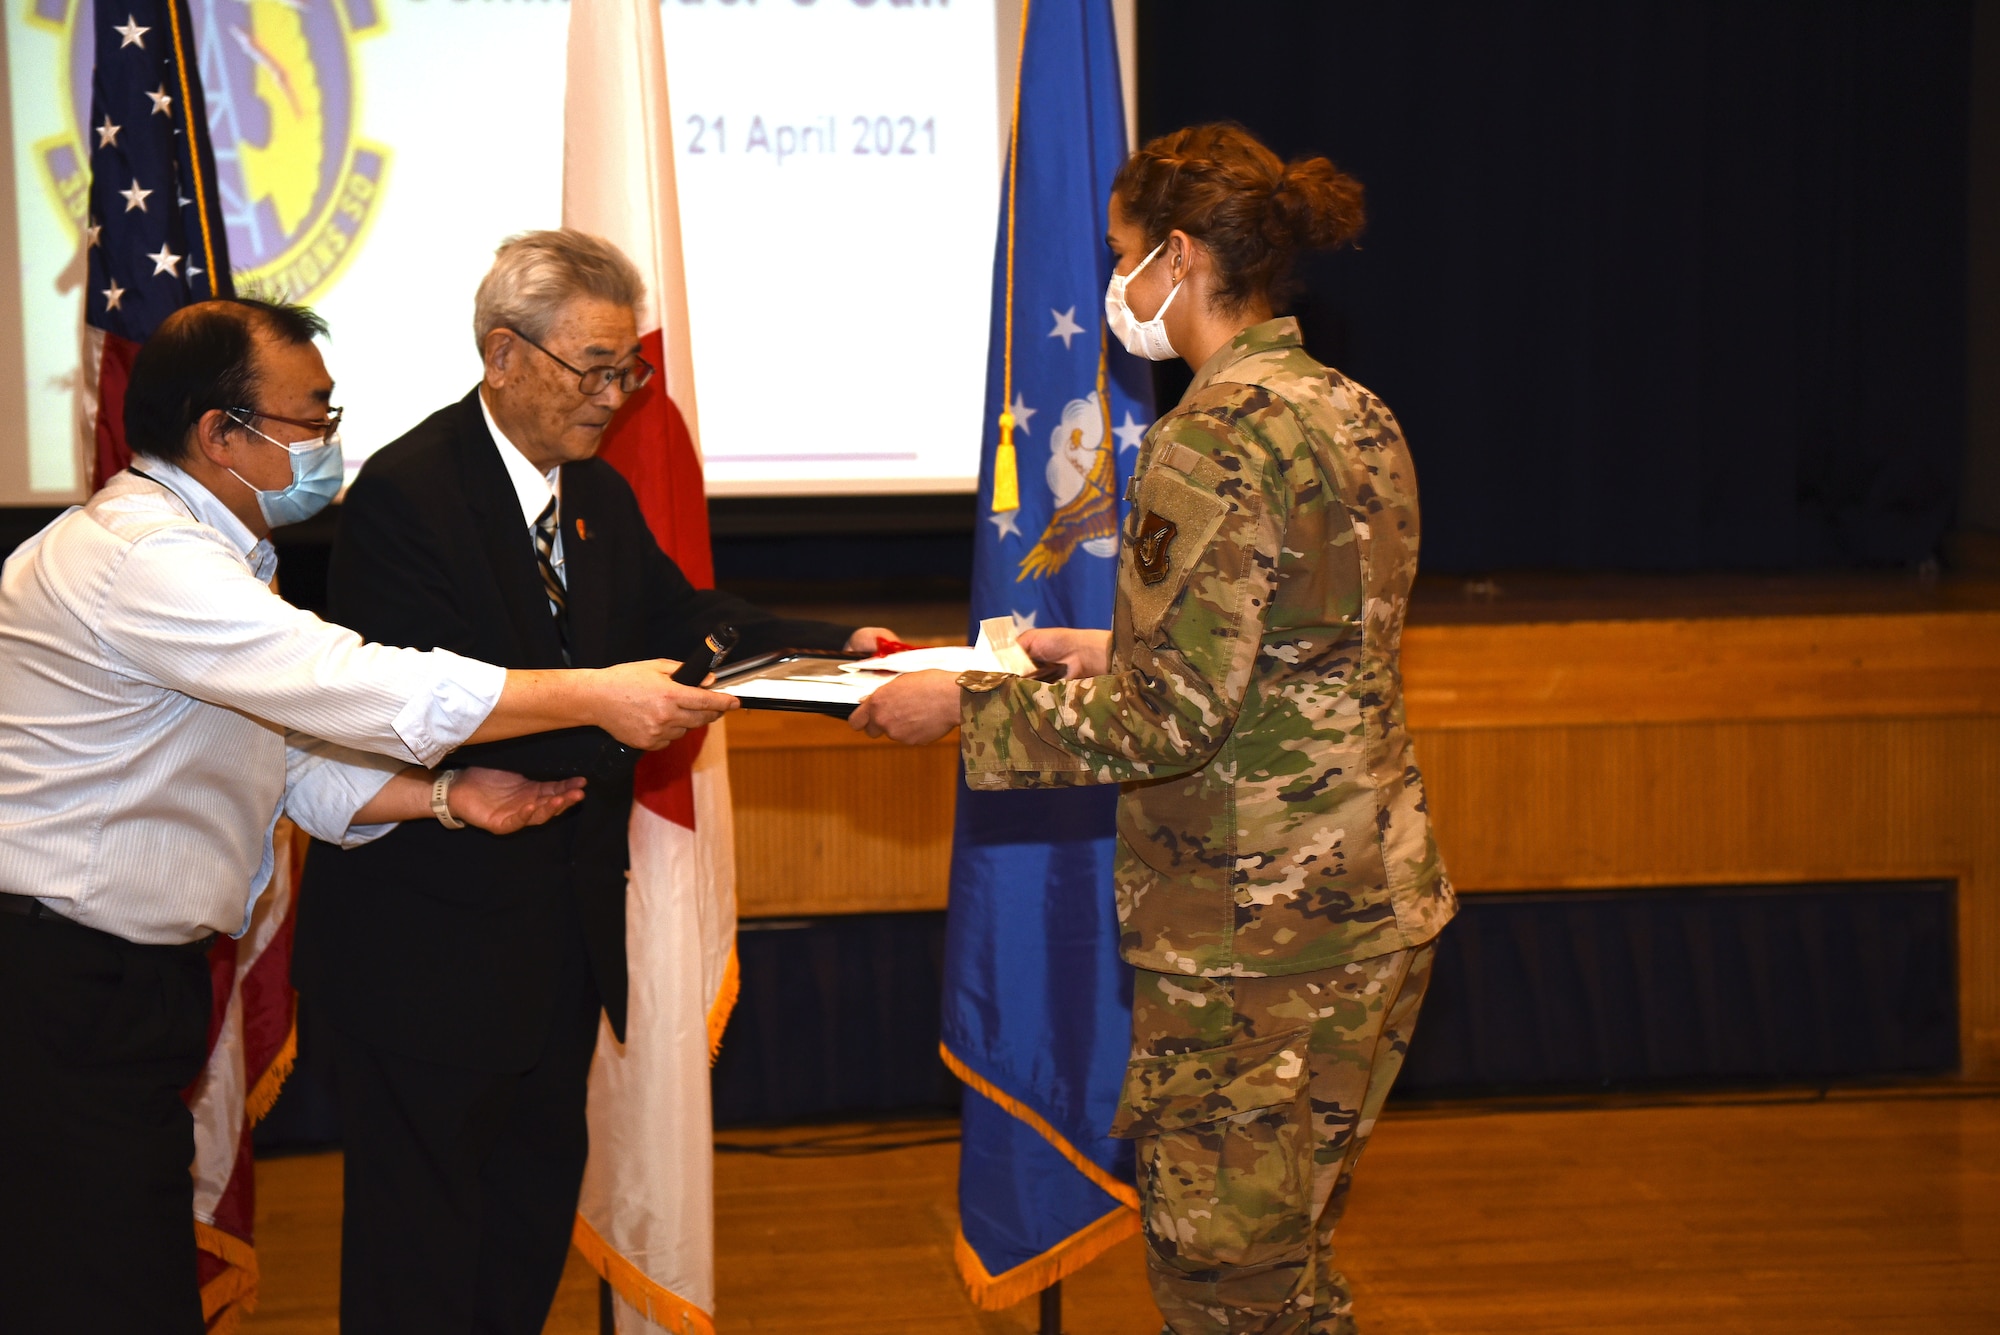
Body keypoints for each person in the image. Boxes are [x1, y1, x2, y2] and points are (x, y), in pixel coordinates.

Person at [0, 296, 734, 1335]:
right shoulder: (143, 561)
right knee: (96, 1287)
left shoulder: (214, 556)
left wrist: (446, 796)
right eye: (311, 421)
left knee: (105, 1273)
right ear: (221, 433)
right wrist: (592, 692)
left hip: (115, 981)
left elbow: (287, 761)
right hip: (56, 978)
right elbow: (355, 687)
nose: (329, 446)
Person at [854, 124, 1456, 1335]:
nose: (1114, 282)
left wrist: (956, 707)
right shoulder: (1349, 409)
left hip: (1255, 940)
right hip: (1366, 905)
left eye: (1122, 252)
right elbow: (1297, 646)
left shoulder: (1213, 433)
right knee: (1284, 1272)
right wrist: (1095, 649)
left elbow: (1168, 720)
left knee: (1225, 1289)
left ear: (1178, 257)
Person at [295, 229, 891, 1334]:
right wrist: (611, 707)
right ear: (503, 354)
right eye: (593, 368)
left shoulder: (596, 497)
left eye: (628, 370)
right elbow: (433, 708)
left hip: (555, 949)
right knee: (419, 1259)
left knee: (522, 1237)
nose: (615, 394)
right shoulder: (407, 493)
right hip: (429, 955)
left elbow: (682, 624)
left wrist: (827, 646)